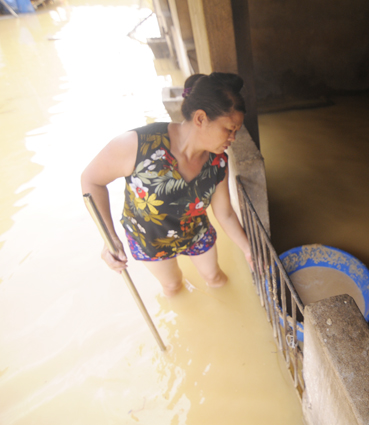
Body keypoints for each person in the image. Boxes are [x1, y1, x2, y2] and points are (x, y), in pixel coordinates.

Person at [81, 72, 252, 297]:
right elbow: (91, 180)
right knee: (173, 287)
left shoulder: (218, 161)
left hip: (195, 231)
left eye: (236, 131)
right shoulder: (138, 146)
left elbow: (225, 214)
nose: (233, 138)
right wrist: (109, 236)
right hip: (150, 238)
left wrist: (249, 251)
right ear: (201, 118)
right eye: (229, 129)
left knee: (215, 277)